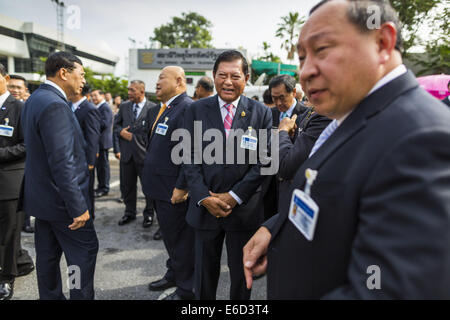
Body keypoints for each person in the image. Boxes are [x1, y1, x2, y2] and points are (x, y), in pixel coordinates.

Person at [243, 0, 450, 299]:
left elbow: (388, 290)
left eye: (322, 49)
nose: (305, 72)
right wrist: (274, 229)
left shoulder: (422, 139)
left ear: (382, 42)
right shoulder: (349, 118)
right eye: (302, 57)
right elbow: (330, 197)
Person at [184, 50, 272, 300]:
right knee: (203, 276)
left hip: (243, 211)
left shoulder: (261, 113)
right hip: (205, 208)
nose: (228, 81)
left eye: (235, 75)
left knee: (242, 276)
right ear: (213, 76)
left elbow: (265, 161)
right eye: (222, 75)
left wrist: (234, 195)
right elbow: (187, 156)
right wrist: (203, 196)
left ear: (246, 78)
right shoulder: (196, 110)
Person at [21, 51, 98, 300]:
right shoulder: (55, 104)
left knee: (48, 259)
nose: (83, 80)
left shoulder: (35, 99)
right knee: (81, 258)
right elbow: (62, 161)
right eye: (81, 74)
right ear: (64, 73)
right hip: (64, 205)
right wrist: (77, 207)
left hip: (43, 203)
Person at [142, 66, 195, 300]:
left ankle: (187, 289)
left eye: (162, 77)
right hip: (159, 189)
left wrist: (182, 186)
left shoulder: (186, 108)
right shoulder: (166, 108)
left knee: (181, 242)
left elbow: (190, 153)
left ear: (179, 81)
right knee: (172, 240)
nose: (157, 82)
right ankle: (173, 273)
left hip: (174, 190)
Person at [261, 75, 331, 220]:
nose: (278, 103)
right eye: (274, 98)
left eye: (282, 97)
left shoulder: (317, 116)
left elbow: (290, 162)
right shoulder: (270, 113)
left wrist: (282, 132)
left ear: (293, 92)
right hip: (273, 186)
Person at [0, 63, 34, 300]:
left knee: (9, 233)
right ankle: (20, 261)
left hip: (9, 180)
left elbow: (26, 144)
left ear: (5, 77)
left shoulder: (20, 107)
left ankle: (6, 278)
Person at [114, 80, 157, 228]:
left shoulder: (153, 108)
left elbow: (154, 134)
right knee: (127, 187)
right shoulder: (125, 106)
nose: (129, 93)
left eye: (132, 90)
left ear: (141, 91)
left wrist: (133, 137)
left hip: (145, 157)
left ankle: (149, 214)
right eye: (129, 90)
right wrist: (120, 132)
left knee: (148, 188)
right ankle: (129, 212)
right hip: (127, 156)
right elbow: (116, 125)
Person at [69, 83, 102, 220]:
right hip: (71, 156)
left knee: (86, 191)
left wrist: (90, 161)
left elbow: (92, 137)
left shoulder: (90, 109)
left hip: (83, 158)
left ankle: (89, 216)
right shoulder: (67, 105)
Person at [91, 89, 113, 198]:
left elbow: (104, 124)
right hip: (97, 142)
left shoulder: (105, 107)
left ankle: (104, 188)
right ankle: (100, 186)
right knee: (99, 167)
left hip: (102, 142)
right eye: (92, 96)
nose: (93, 98)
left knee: (103, 167)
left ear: (102, 96)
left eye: (95, 96)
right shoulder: (98, 107)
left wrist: (91, 123)